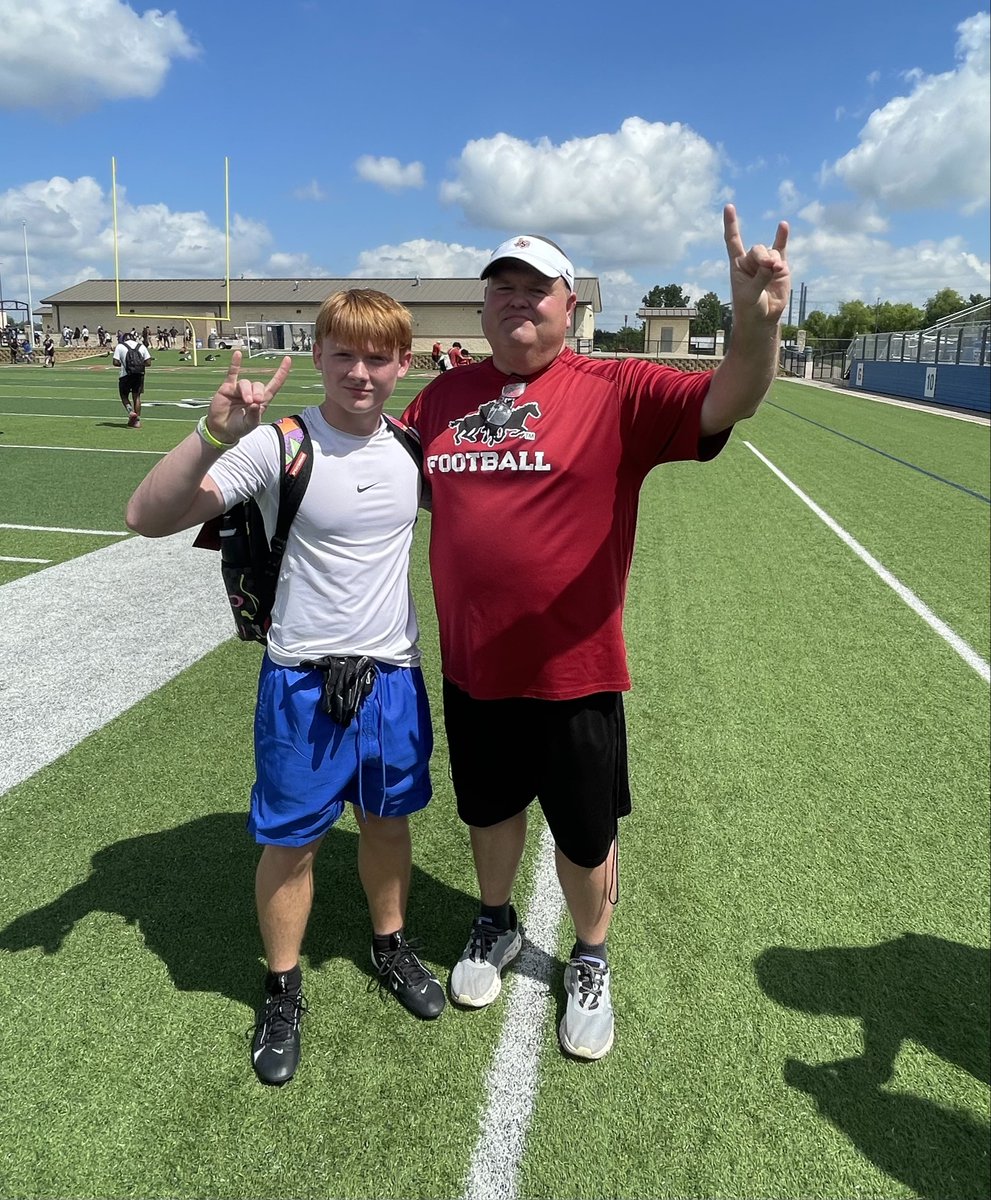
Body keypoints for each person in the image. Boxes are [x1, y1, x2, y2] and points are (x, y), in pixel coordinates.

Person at [401, 206, 789, 1062]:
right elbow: (382, 483)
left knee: (583, 835)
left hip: (575, 674)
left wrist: (753, 325)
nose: (516, 303)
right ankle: (494, 922)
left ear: (569, 306)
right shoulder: (441, 400)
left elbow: (733, 396)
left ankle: (589, 956)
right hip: (474, 668)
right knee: (488, 812)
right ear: (480, 311)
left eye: (534, 290)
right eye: (501, 290)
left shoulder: (619, 391)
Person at [125, 288, 444, 1087]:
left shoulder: (410, 447)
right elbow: (147, 516)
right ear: (320, 355)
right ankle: (282, 988)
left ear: (403, 363)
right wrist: (210, 434)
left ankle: (390, 945)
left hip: (393, 680)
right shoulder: (281, 443)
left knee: (387, 826)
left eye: (378, 357)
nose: (360, 373)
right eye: (344, 354)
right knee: (291, 844)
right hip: (303, 683)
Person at [112, 332, 152, 427]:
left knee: (124, 395)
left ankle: (130, 411)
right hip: (139, 374)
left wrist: (125, 364)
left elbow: (115, 362)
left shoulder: (120, 346)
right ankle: (137, 421)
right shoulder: (141, 346)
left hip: (125, 375)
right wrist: (138, 365)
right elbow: (148, 362)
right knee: (136, 397)